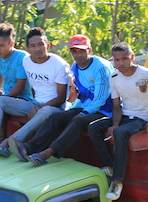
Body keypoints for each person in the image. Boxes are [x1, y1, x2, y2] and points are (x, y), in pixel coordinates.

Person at [13, 35, 113, 166]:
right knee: (56, 117)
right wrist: (71, 109)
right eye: (74, 51)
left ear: (90, 49)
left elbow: (100, 99)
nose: (78, 55)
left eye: (82, 50)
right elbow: (80, 94)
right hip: (85, 105)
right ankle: (29, 148)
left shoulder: (101, 67)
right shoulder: (75, 67)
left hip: (105, 109)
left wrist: (81, 113)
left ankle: (48, 153)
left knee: (78, 120)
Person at [0, 27, 69, 155]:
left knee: (44, 111)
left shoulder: (59, 65)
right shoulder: (26, 61)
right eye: (33, 46)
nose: (37, 49)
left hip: (55, 107)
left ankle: (11, 141)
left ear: (48, 45)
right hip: (34, 103)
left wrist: (39, 108)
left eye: (41, 44)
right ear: (28, 49)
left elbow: (61, 98)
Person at [88, 42, 148, 201]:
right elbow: (116, 106)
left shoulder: (147, 74)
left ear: (132, 57)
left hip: (142, 118)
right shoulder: (114, 77)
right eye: (116, 60)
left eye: (124, 59)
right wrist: (115, 124)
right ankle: (110, 165)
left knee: (122, 133)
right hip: (125, 115)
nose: (120, 63)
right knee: (93, 128)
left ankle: (117, 181)